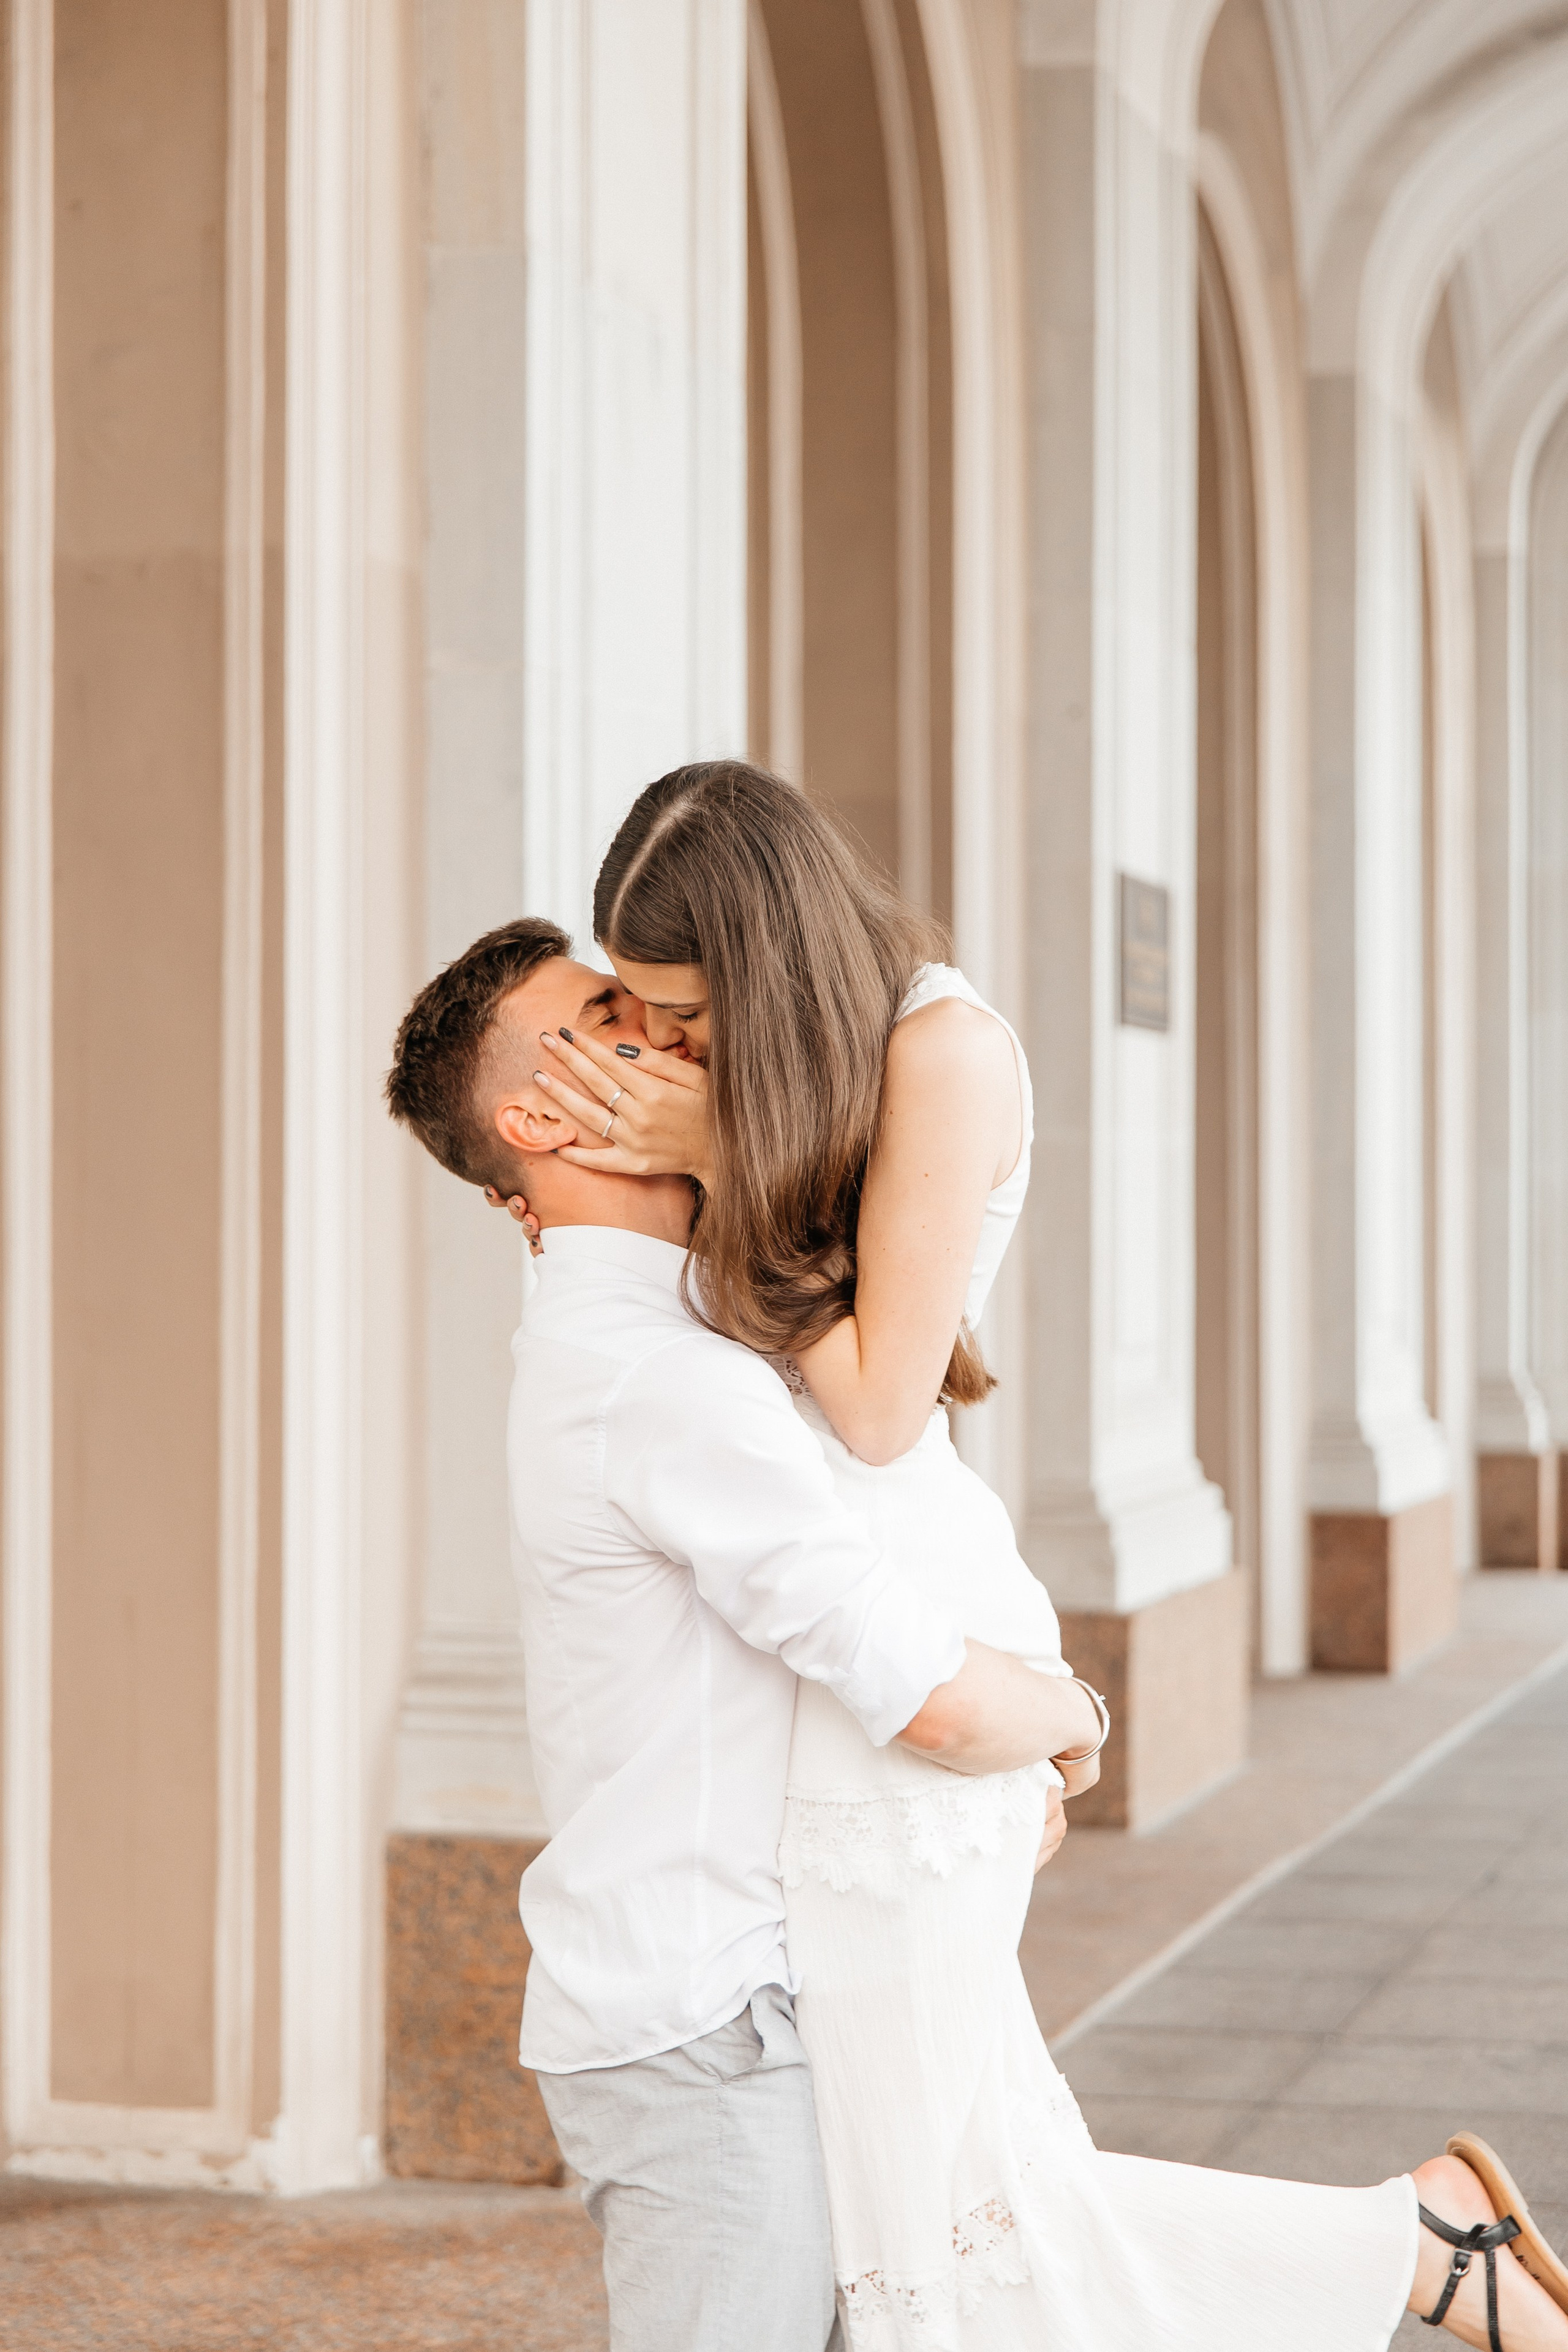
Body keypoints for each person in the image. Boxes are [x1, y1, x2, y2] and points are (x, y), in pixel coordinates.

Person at [492, 759, 1568, 2352]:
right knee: (958, 2202)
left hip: (904, 1607)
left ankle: (1418, 2248)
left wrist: (713, 1154)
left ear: (766, 958)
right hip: (834, 1641)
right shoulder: (788, 1080)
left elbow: (865, 1410)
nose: (669, 1054)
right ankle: (1421, 2240)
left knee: (946, 2225)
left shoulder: (945, 1051)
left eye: (688, 1015)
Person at [385, 917, 1105, 2352]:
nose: (666, 1029)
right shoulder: (659, 1378)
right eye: (609, 1012)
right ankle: (1411, 2250)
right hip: (710, 2029)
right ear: (532, 1119)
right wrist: (1072, 1719)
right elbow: (925, 1698)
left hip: (749, 2000)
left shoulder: (689, 1328)